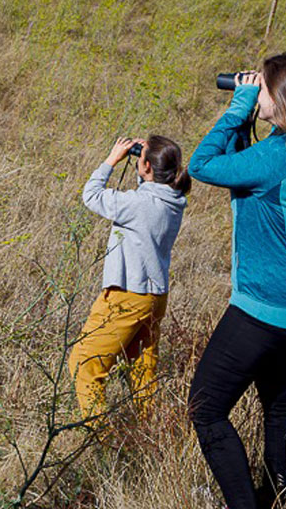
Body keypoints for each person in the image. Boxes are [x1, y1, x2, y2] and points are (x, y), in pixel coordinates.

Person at [187, 52, 286, 509]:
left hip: (267, 303)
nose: (259, 93)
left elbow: (203, 166)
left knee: (206, 407)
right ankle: (280, 498)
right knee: (278, 404)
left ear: (285, 98)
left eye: (265, 88)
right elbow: (241, 172)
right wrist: (251, 110)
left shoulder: (276, 155)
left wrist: (238, 106)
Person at [69, 135, 190, 426]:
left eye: (140, 156)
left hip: (127, 295)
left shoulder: (137, 204)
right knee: (142, 372)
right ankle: (148, 434)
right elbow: (148, 195)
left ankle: (101, 441)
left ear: (147, 165)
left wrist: (112, 159)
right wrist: (143, 165)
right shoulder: (172, 200)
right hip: (154, 297)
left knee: (85, 364)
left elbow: (92, 195)